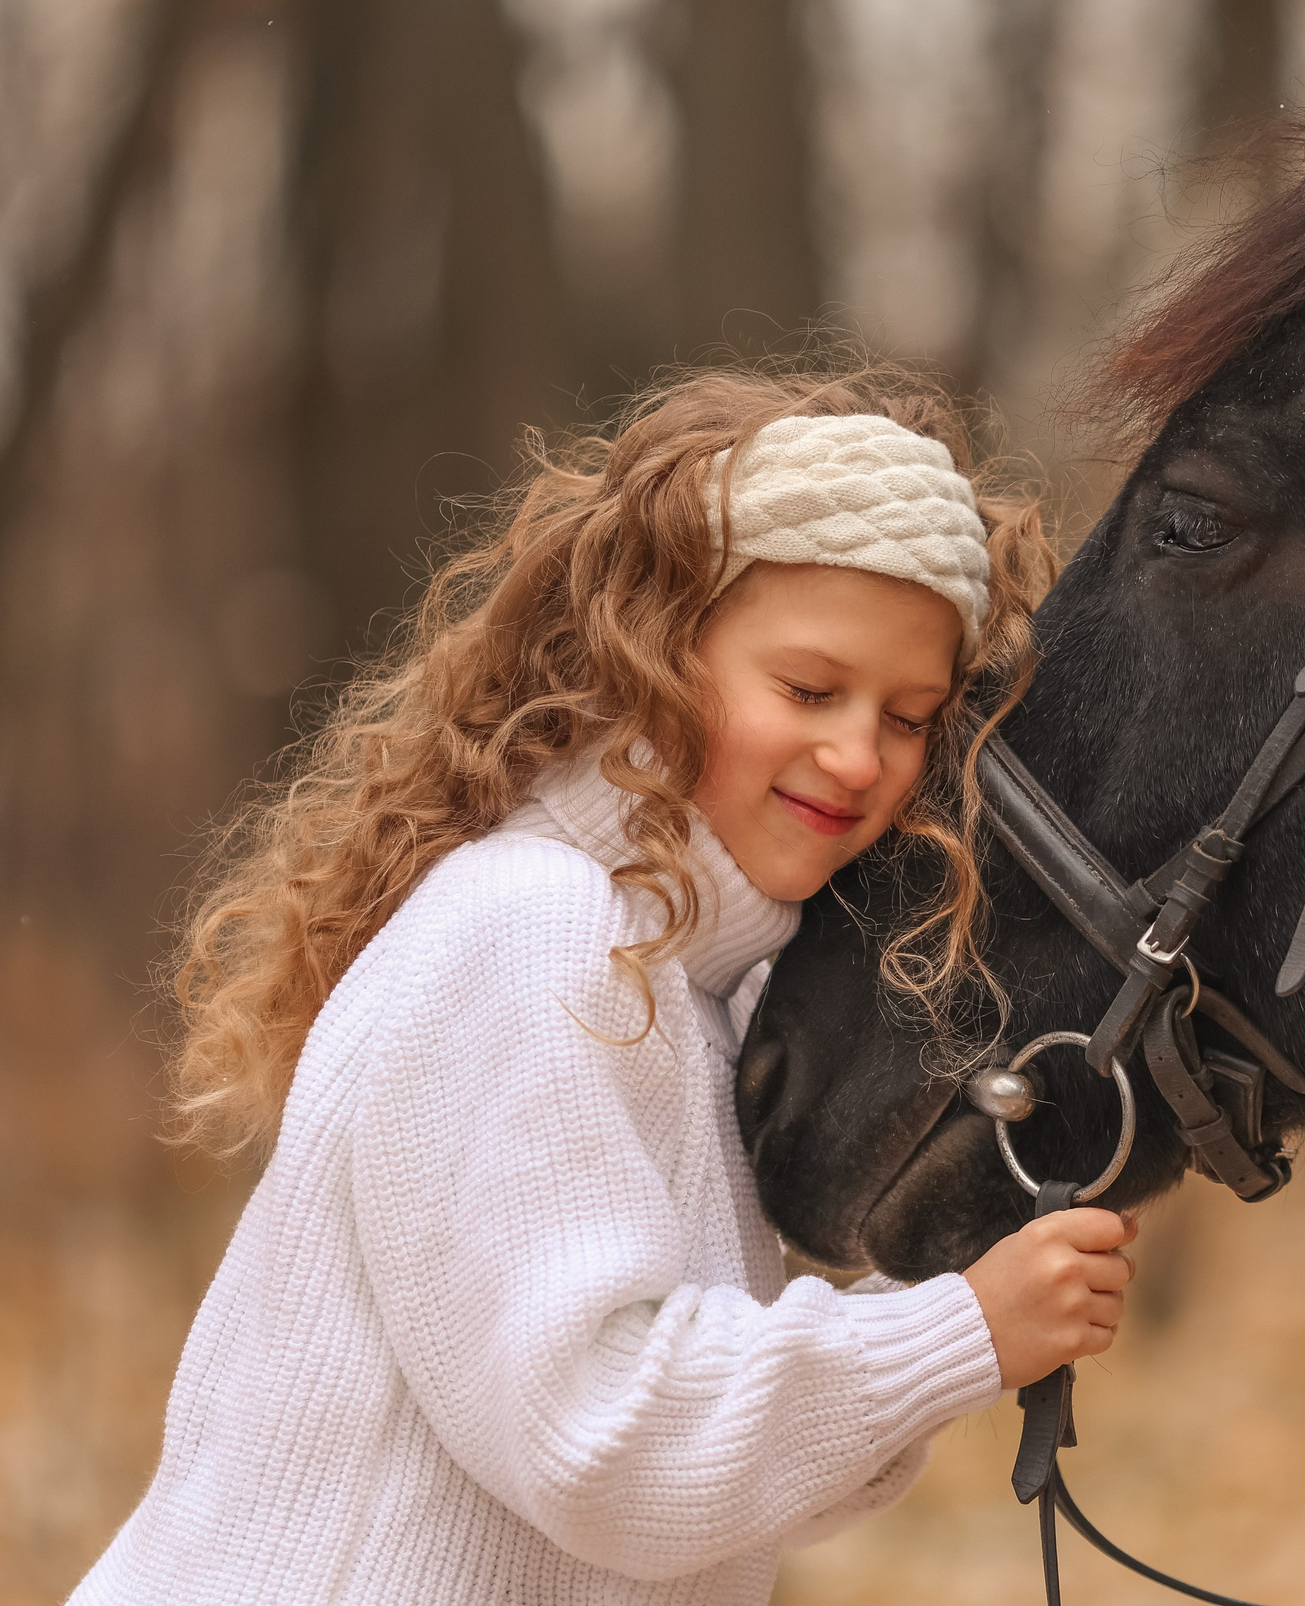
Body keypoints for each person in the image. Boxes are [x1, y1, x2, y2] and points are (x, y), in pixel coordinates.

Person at [71, 366, 1136, 1604]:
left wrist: (954, 1303)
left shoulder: (697, 992)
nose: (858, 755)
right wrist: (957, 1332)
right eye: (807, 689)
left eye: (909, 718)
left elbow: (711, 1500)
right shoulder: (536, 935)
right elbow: (605, 1442)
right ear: (658, 653)